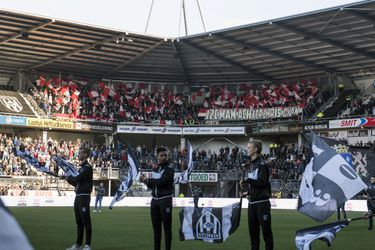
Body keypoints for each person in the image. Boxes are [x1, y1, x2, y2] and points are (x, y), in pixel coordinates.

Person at [240, 140, 273, 250]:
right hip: (252, 203)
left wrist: (247, 180)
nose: (247, 149)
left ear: (255, 150)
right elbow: (254, 185)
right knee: (253, 236)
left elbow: (262, 182)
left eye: (249, 147)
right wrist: (247, 192)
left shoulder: (262, 165)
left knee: (266, 234)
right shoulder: (252, 165)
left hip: (262, 204)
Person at [140, 147, 174, 250]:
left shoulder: (170, 168)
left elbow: (161, 182)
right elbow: (153, 186)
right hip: (154, 201)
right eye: (161, 155)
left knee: (167, 229)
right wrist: (144, 181)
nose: (164, 157)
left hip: (165, 199)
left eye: (165, 155)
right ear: (157, 156)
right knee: (156, 230)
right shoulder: (155, 168)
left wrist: (147, 179)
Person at [65, 147, 93, 250]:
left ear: (85, 154)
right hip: (78, 196)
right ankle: (78, 244)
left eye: (80, 153)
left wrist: (69, 177)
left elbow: (77, 179)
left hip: (84, 196)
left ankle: (87, 245)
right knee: (79, 222)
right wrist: (68, 179)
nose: (78, 154)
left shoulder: (87, 167)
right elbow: (76, 182)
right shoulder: (81, 168)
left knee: (86, 221)